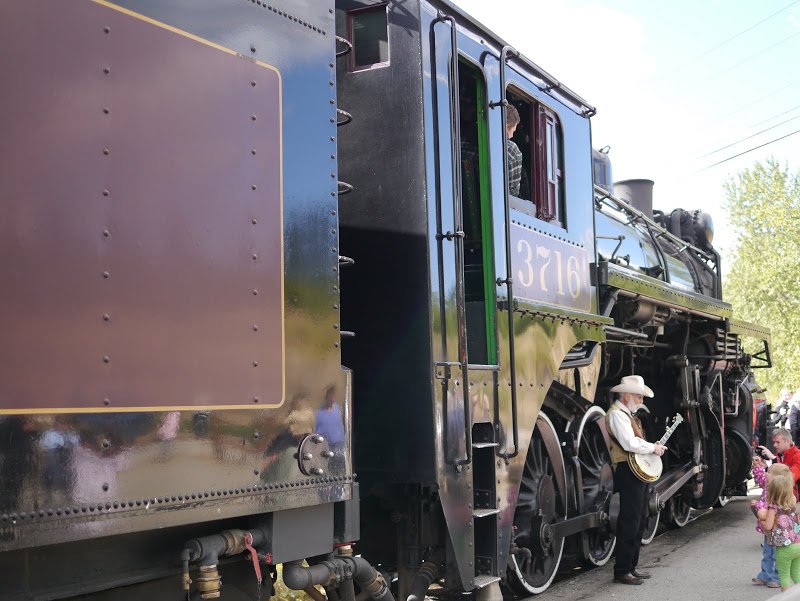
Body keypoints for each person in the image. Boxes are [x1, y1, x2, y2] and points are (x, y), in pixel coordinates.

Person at [605, 375, 667, 585]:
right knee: (629, 520)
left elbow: (635, 442)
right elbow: (629, 443)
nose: (641, 401)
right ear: (627, 395)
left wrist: (651, 446)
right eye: (639, 397)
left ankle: (631, 566)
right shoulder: (617, 415)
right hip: (627, 471)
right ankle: (622, 570)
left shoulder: (627, 414)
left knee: (639, 518)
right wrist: (652, 447)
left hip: (635, 471)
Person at [751, 460, 790, 588]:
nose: (766, 473)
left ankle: (777, 577)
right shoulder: (769, 486)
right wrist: (758, 467)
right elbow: (761, 479)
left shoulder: (779, 493)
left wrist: (757, 505)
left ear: (776, 478)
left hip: (777, 530)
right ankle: (765, 575)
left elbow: (771, 508)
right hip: (769, 529)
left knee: (776, 554)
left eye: (768, 472)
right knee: (767, 553)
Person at [759, 474, 800, 590]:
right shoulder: (792, 504)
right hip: (798, 544)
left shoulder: (773, 508)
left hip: (785, 547)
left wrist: (762, 521)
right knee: (797, 573)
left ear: (772, 492)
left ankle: (787, 597)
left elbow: (768, 526)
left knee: (784, 576)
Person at [759, 429, 800, 499]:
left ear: (787, 441)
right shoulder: (779, 455)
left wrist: (774, 459)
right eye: (774, 442)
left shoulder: (798, 455)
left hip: (790, 498)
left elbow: (789, 479)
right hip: (779, 496)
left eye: (778, 442)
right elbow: (773, 479)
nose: (774, 445)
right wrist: (765, 467)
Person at [506, 104, 522, 197]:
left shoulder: (464, 141)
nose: (512, 136)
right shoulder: (511, 149)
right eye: (512, 131)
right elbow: (512, 194)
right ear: (506, 125)